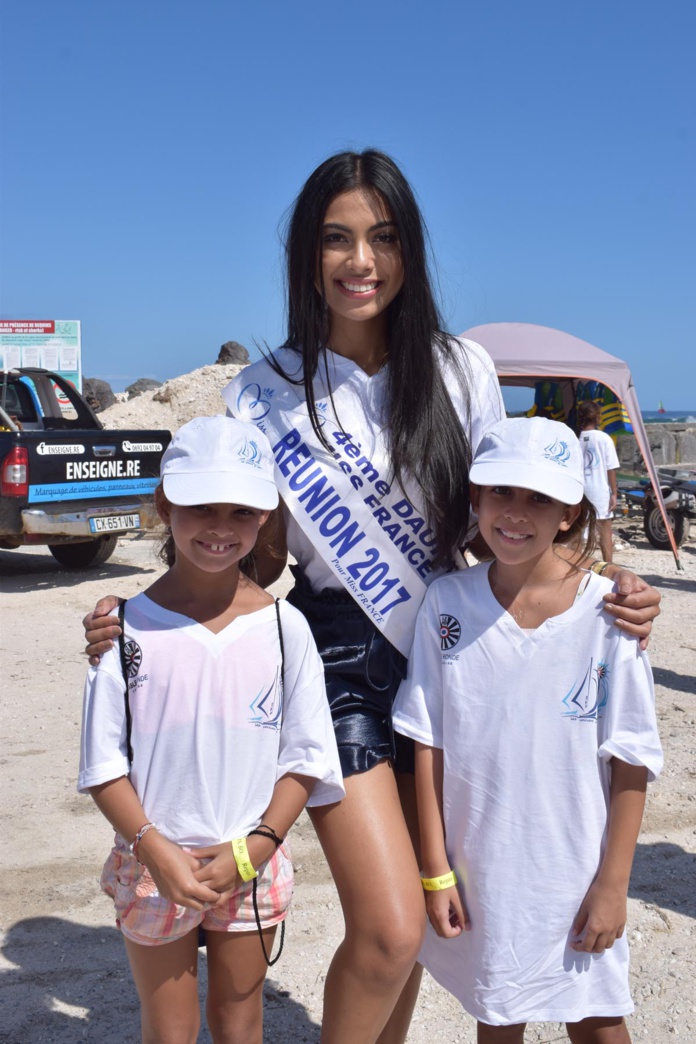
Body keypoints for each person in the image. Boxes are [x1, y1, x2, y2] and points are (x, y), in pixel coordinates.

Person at [83, 149, 661, 1044]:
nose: (362, 261)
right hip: (337, 662)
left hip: (458, 650)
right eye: (337, 239)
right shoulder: (262, 392)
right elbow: (244, 550)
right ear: (307, 258)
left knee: (427, 926)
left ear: (410, 251)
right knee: (392, 924)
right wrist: (140, 621)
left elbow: (502, 516)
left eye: (383, 238)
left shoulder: (460, 369)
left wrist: (604, 586)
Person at [393, 417, 662, 1044]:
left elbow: (631, 760)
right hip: (480, 871)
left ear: (570, 511)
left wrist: (612, 885)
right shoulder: (447, 603)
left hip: (573, 871)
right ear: (475, 499)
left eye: (539, 497)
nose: (517, 512)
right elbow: (426, 741)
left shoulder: (610, 616)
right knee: (498, 1012)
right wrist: (436, 869)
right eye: (501, 492)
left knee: (596, 1018)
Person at [78, 415, 344, 1044]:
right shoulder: (123, 630)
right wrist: (154, 849)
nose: (221, 527)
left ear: (265, 517)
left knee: (238, 1020)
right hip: (152, 861)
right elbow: (103, 766)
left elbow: (305, 755)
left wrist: (257, 848)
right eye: (201, 506)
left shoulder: (287, 629)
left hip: (251, 861)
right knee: (169, 1031)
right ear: (166, 505)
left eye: (242, 510)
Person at [577, 400, 620, 563]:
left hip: (580, 490)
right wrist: (614, 493)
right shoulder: (604, 438)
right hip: (599, 489)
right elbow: (611, 469)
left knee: (578, 531)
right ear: (597, 417)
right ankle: (608, 564)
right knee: (605, 530)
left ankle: (577, 564)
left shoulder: (575, 438)